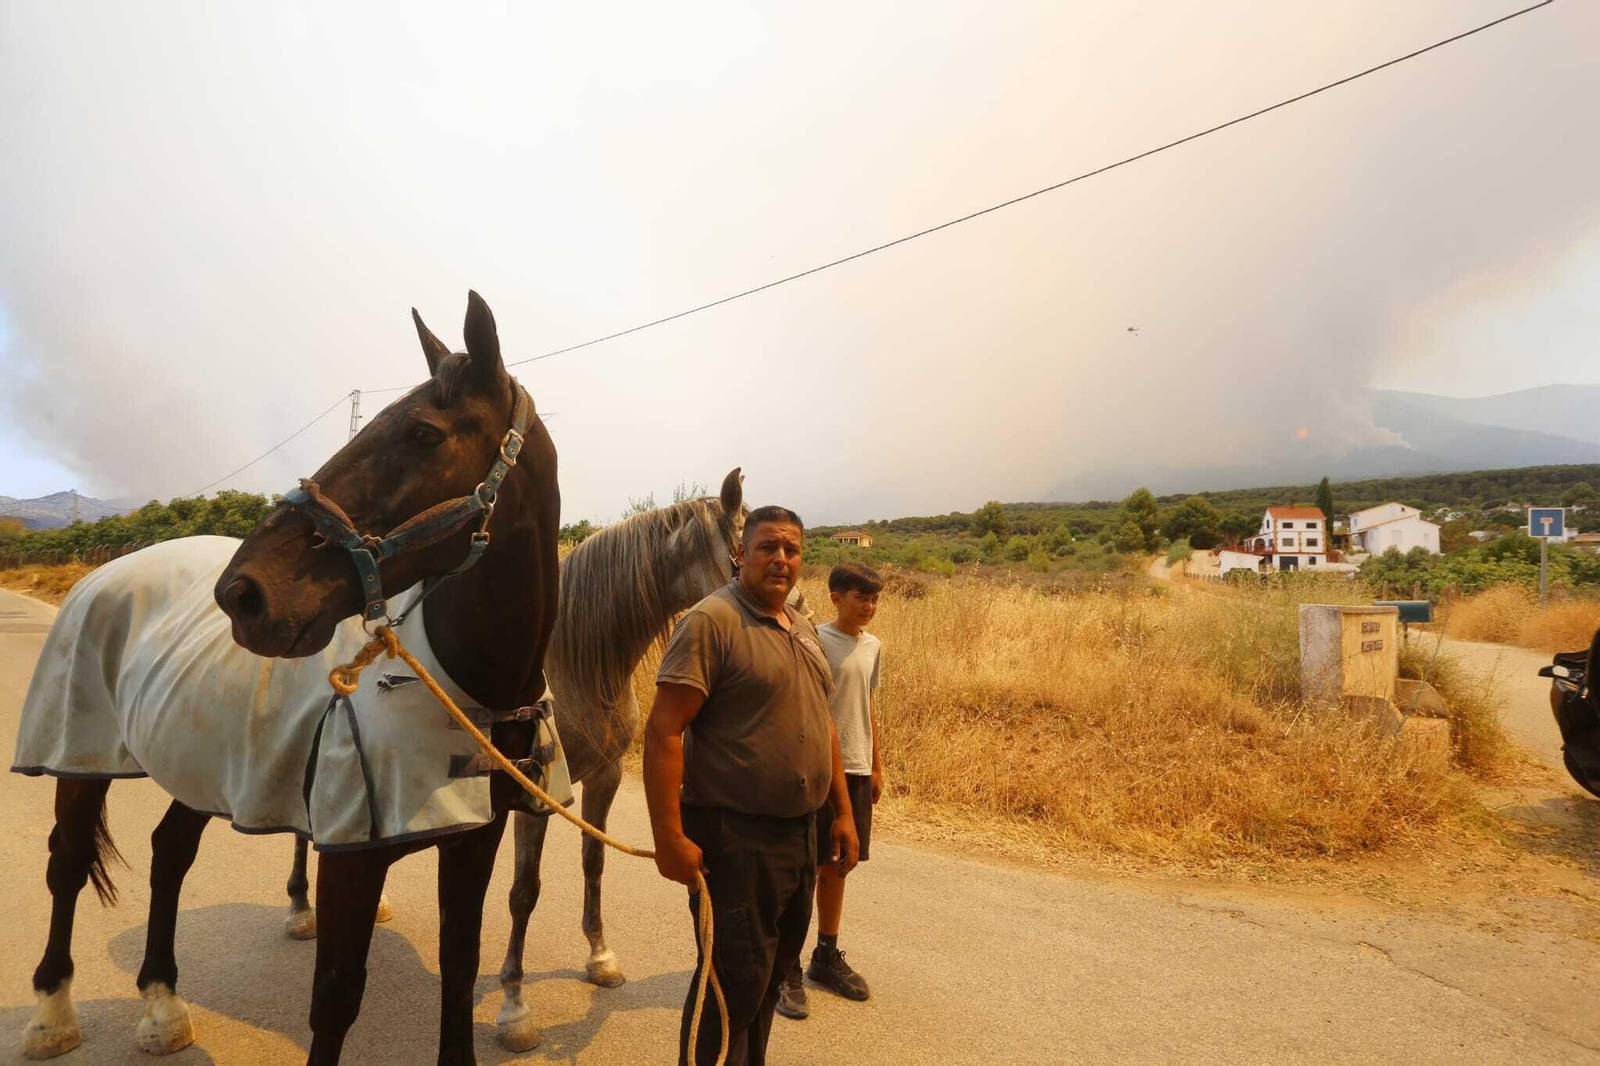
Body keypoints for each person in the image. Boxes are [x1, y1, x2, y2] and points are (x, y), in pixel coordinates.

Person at [645, 504, 860, 1066]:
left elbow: (823, 723)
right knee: (728, 986)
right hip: (734, 838)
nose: (781, 559)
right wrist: (668, 837)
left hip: (800, 836)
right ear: (740, 554)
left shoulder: (802, 627)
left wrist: (841, 812)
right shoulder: (711, 621)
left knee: (767, 980)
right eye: (767, 547)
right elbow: (664, 730)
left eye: (791, 549)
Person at [777, 563, 884, 1019]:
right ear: (836, 598)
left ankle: (825, 954)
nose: (869, 607)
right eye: (861, 597)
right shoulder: (813, 639)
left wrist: (875, 763)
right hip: (817, 766)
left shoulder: (873, 646)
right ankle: (786, 967)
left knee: (838, 865)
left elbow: (866, 705)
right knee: (802, 868)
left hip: (856, 766)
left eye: (874, 599)